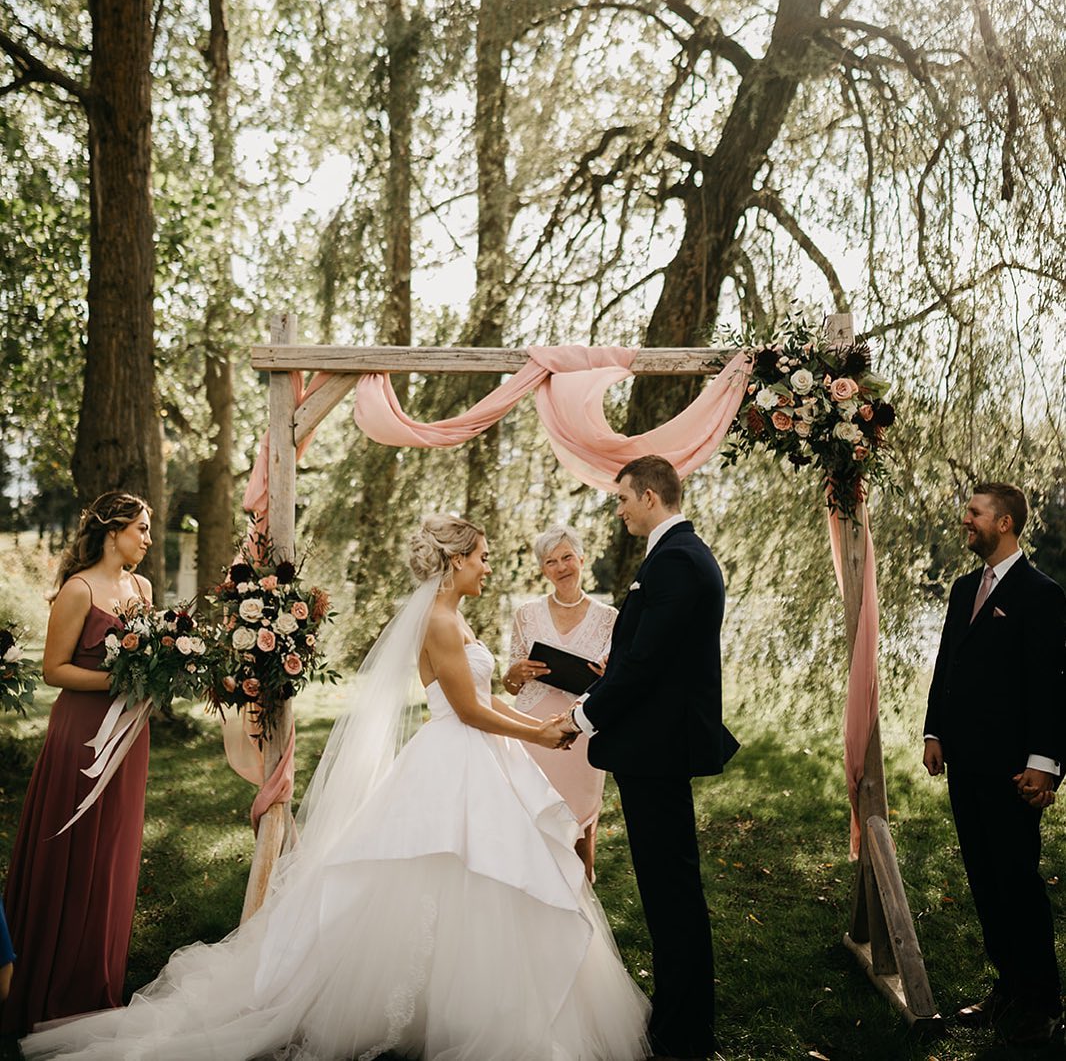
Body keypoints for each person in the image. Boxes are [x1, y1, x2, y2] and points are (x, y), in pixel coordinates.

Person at [21, 514, 650, 1061]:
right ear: (456, 561)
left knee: (482, 876)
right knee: (450, 871)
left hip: (481, 756)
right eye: (482, 557)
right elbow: (466, 708)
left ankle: (462, 995)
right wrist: (540, 734)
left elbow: (484, 702)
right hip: (455, 759)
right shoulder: (437, 620)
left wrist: (536, 727)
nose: (488, 567)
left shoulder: (454, 616)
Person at [558, 454, 739, 1061]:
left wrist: (582, 717)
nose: (620, 508)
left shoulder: (678, 562)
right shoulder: (675, 559)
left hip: (656, 750)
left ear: (652, 496)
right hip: (653, 746)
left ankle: (684, 1036)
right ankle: (677, 1022)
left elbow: (643, 665)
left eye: (623, 498)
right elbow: (645, 656)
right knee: (667, 890)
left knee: (671, 893)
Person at [2, 492, 153, 1036]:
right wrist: (122, 680)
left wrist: (157, 677)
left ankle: (99, 976)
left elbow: (152, 655)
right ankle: (52, 981)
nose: (147, 539)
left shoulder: (144, 589)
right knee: (73, 847)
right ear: (113, 533)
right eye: (140, 528)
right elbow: (53, 670)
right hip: (81, 735)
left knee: (113, 850)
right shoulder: (78, 590)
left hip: (130, 736)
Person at [923, 482, 1066, 1048]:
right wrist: (936, 731)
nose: (966, 520)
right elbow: (946, 665)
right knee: (983, 877)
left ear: (1004, 523)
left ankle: (1044, 1003)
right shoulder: (963, 590)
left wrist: (1045, 764)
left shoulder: (1041, 594)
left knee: (1016, 881)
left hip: (1014, 769)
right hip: (965, 763)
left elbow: (1052, 688)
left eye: (974, 513)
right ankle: (1007, 986)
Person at [506, 524, 614, 879]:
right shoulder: (525, 615)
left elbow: (621, 682)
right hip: (532, 730)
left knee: (582, 824)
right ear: (543, 570)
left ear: (582, 558)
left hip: (581, 731)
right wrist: (517, 673)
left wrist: (606, 677)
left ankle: (583, 905)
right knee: (529, 820)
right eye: (551, 561)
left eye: (567, 557)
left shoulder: (610, 619)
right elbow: (509, 685)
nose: (561, 567)